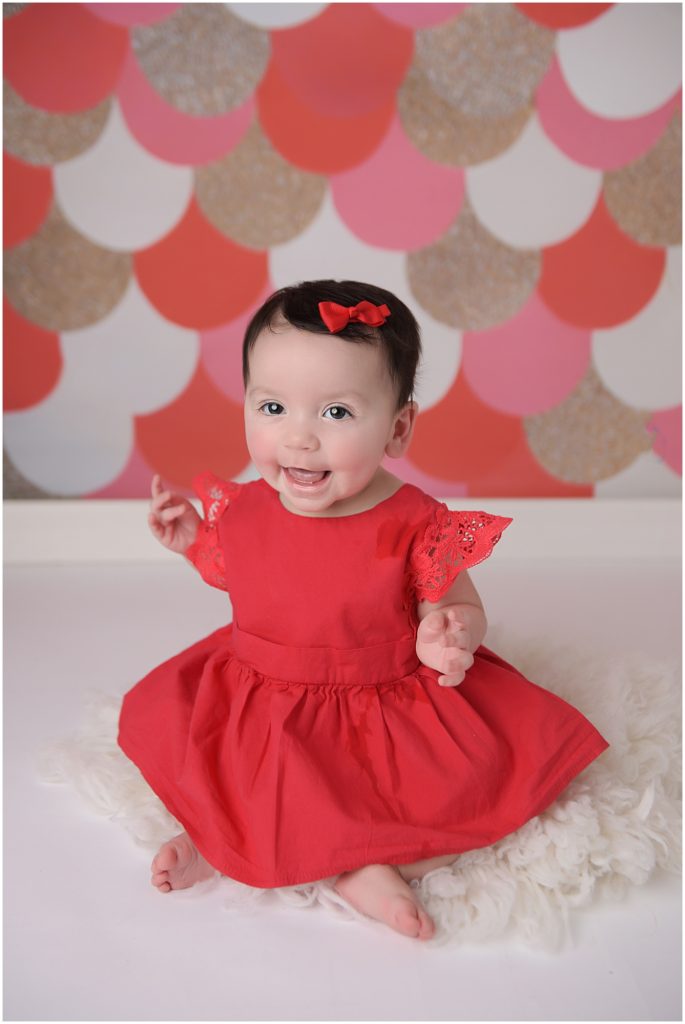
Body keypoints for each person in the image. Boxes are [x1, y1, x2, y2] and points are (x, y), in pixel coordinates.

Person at [118, 279, 608, 942]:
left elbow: (456, 600)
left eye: (336, 413)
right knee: (225, 774)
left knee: (455, 795)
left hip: (379, 703)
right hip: (263, 699)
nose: (299, 438)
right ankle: (219, 843)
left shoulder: (413, 522)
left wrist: (449, 632)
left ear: (397, 428)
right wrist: (191, 544)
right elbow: (234, 571)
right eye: (272, 406)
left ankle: (361, 867)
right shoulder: (246, 509)